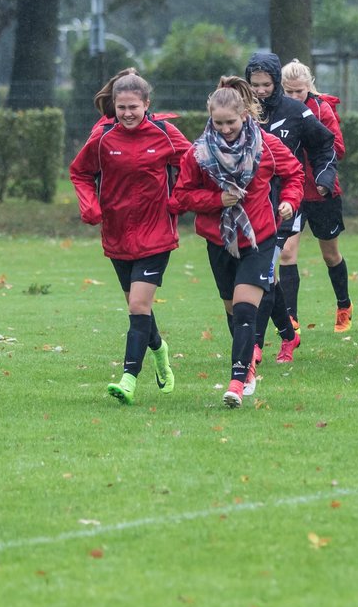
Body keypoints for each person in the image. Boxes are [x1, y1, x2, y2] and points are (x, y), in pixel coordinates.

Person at [171, 77, 304, 407]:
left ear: (245, 114)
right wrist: (217, 199)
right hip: (219, 242)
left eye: (231, 122)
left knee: (246, 309)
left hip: (259, 237)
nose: (225, 128)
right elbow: (181, 197)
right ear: (210, 118)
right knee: (233, 311)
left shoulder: (267, 145)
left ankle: (237, 378)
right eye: (219, 123)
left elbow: (295, 174)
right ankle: (246, 365)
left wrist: (289, 201)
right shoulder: (198, 154)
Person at [69, 69, 192, 406]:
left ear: (147, 105)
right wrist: (90, 206)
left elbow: (194, 163)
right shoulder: (104, 137)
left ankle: (128, 379)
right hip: (118, 232)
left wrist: (178, 198)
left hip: (157, 232)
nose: (127, 114)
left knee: (138, 305)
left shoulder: (165, 133)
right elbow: (79, 172)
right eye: (121, 107)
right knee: (138, 308)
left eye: (133, 107)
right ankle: (160, 349)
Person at [243, 51, 336, 365]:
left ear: (275, 83)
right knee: (266, 278)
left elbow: (325, 143)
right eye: (254, 84)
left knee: (262, 274)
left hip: (283, 206)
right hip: (244, 209)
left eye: (266, 84)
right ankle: (288, 334)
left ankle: (254, 343)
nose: (259, 90)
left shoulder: (296, 111)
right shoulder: (238, 111)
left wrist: (325, 174)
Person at [279, 59, 354, 333]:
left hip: (323, 193)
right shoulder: (277, 112)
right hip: (291, 192)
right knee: (287, 253)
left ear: (309, 87)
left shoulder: (321, 110)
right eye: (289, 91)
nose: (295, 96)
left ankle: (344, 305)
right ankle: (291, 320)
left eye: (300, 91)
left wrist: (311, 146)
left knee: (330, 255)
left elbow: (339, 149)